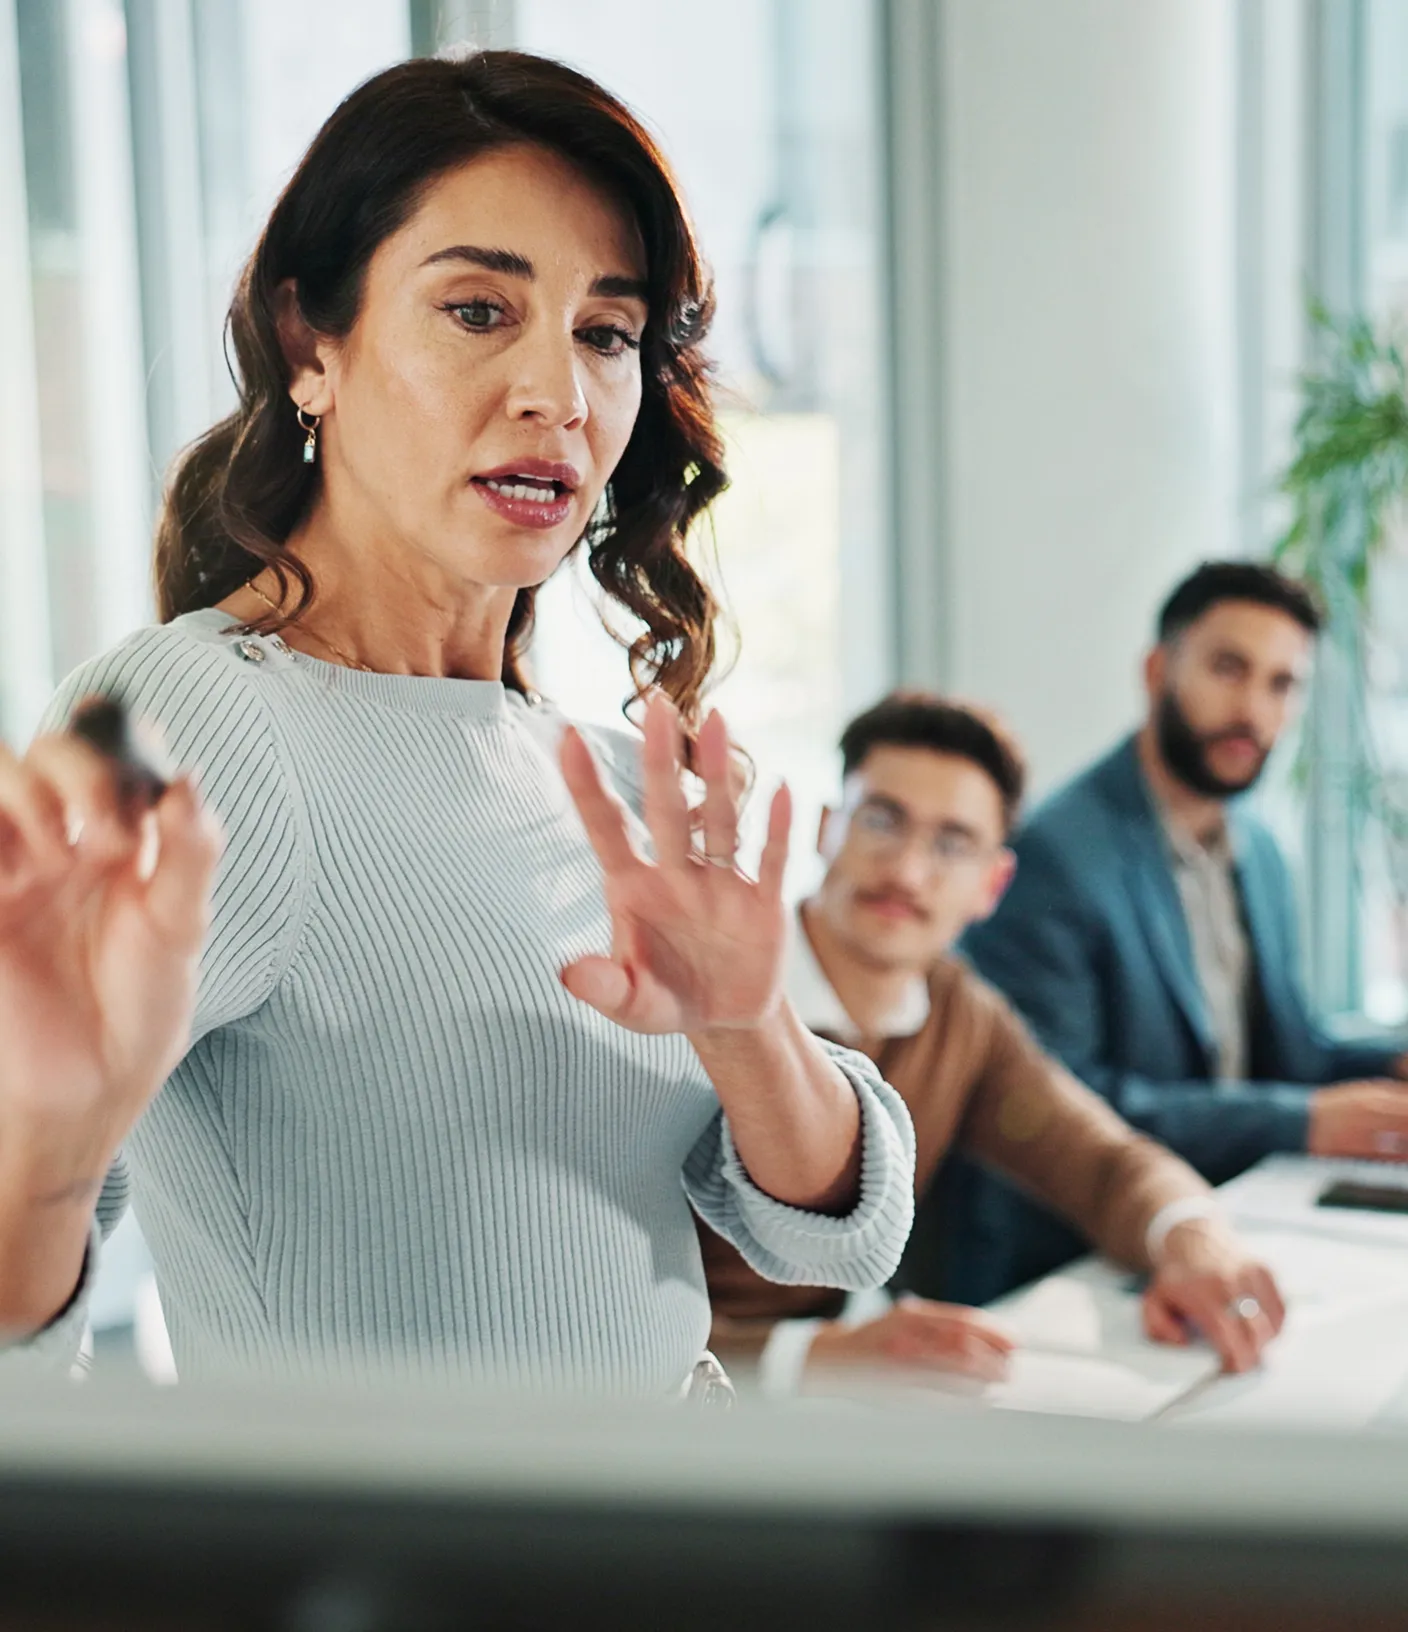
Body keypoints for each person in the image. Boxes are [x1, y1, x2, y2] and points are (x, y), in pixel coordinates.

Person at [0, 51, 916, 1393]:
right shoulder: (182, 717)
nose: (560, 391)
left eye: (607, 333)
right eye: (480, 309)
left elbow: (846, 1233)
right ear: (313, 342)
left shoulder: (591, 771)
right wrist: (45, 1163)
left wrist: (748, 1023)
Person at [700, 692, 1286, 1391]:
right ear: (828, 828)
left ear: (993, 883)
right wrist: (809, 1358)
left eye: (952, 843)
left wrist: (1194, 1239)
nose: (908, 872)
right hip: (655, 1415)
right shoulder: (706, 997)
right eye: (882, 820)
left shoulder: (960, 1013)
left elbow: (1103, 1161)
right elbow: (585, 1303)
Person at [957, 560, 1408, 1304]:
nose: (1253, 711)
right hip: (1074, 1264)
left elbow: (1288, 1052)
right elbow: (1065, 1102)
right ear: (1158, 668)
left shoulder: (1258, 852)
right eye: (1229, 668)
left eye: (1281, 684)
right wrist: (1303, 1122)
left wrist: (1391, 1067)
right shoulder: (1055, 855)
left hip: (1231, 1222)